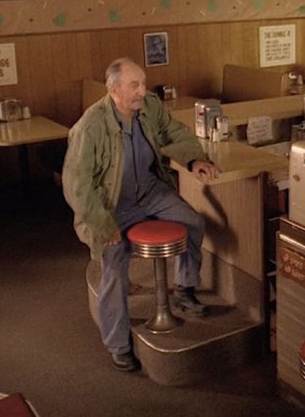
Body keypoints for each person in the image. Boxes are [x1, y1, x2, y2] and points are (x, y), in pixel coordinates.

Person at [62, 57, 221, 373]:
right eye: (134, 85)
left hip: (149, 192)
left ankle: (185, 288)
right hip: (110, 205)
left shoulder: (148, 105)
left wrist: (194, 160)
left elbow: (174, 131)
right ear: (114, 90)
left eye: (143, 83)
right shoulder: (90, 126)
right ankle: (118, 344)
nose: (142, 91)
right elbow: (76, 186)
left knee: (193, 222)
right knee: (115, 260)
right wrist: (103, 224)